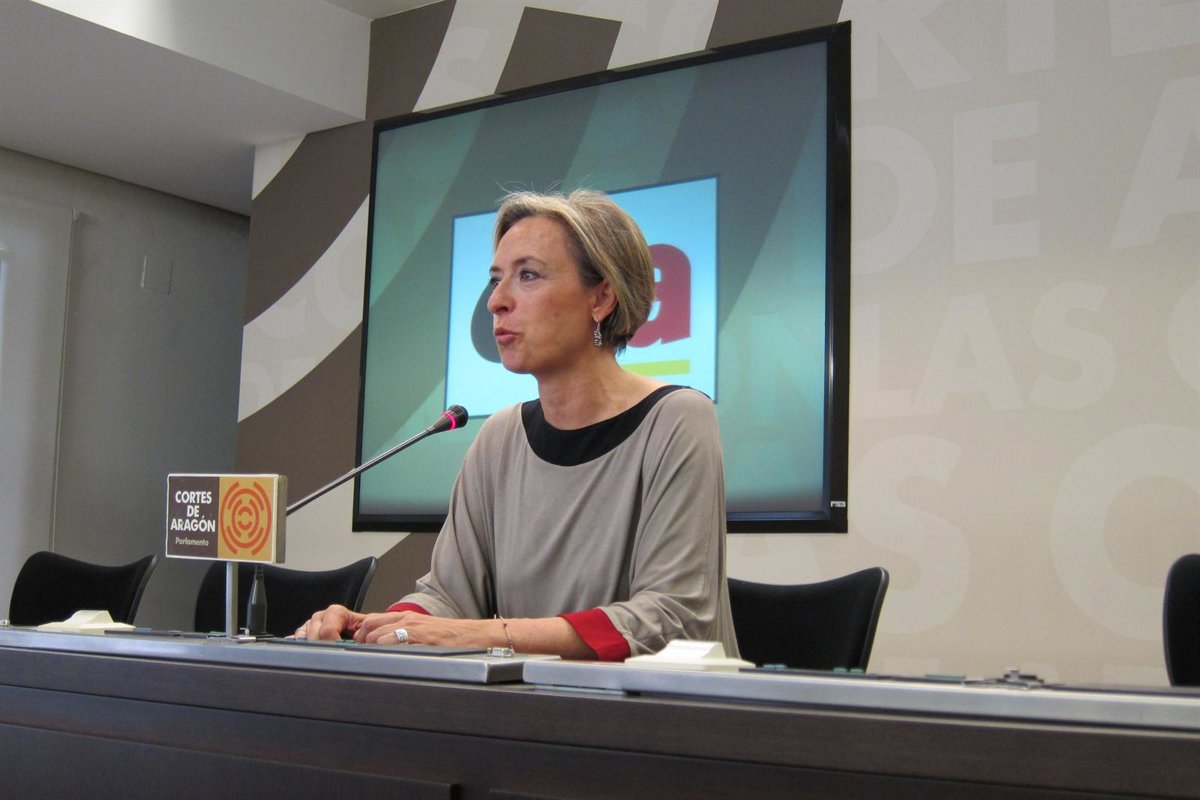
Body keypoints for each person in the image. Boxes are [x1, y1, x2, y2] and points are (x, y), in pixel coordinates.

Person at [298, 189, 738, 660]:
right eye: (495, 280)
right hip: (526, 700)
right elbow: (449, 598)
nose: (496, 301)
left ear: (602, 297)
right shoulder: (500, 437)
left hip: (655, 703)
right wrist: (371, 628)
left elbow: (669, 618)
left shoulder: (677, 419)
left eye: (528, 275)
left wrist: (484, 635)